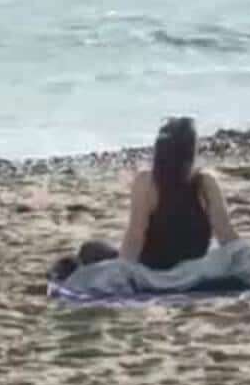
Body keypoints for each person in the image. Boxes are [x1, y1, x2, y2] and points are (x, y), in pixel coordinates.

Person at [50, 117, 237, 280]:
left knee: (89, 250)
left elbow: (134, 239)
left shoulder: (147, 182)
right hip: (193, 265)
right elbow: (227, 237)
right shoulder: (206, 182)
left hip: (151, 269)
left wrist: (118, 274)